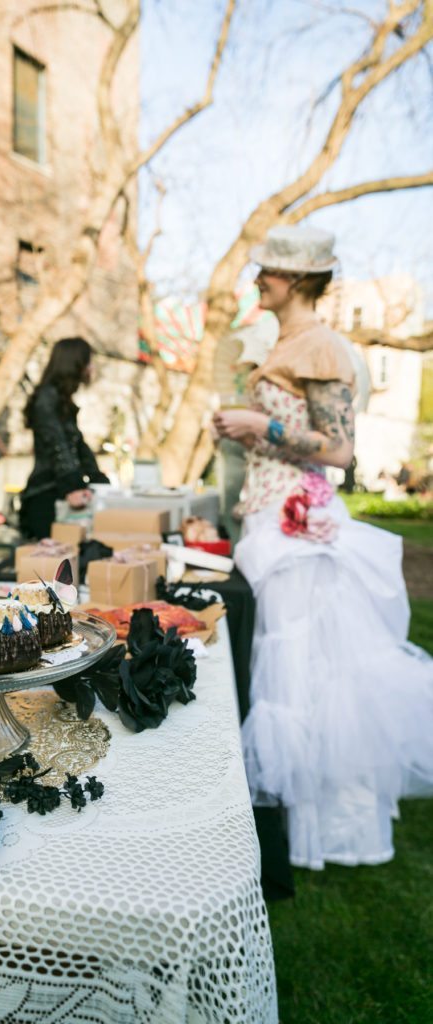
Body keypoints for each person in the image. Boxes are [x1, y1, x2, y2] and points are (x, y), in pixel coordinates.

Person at [213, 225, 433, 870]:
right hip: (268, 516)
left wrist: (262, 423)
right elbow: (291, 435)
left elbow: (339, 450)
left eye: (269, 271)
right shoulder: (282, 341)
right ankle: (290, 827)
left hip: (298, 525)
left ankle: (329, 831)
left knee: (306, 671)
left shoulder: (324, 347)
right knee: (286, 666)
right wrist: (245, 432)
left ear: (300, 281)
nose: (258, 279)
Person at [20, 336, 109, 539]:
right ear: (75, 363)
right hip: (46, 497)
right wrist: (73, 485)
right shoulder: (47, 398)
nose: (91, 367)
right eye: (88, 361)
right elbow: (56, 444)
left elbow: (77, 444)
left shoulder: (61, 399)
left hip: (60, 492)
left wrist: (97, 478)